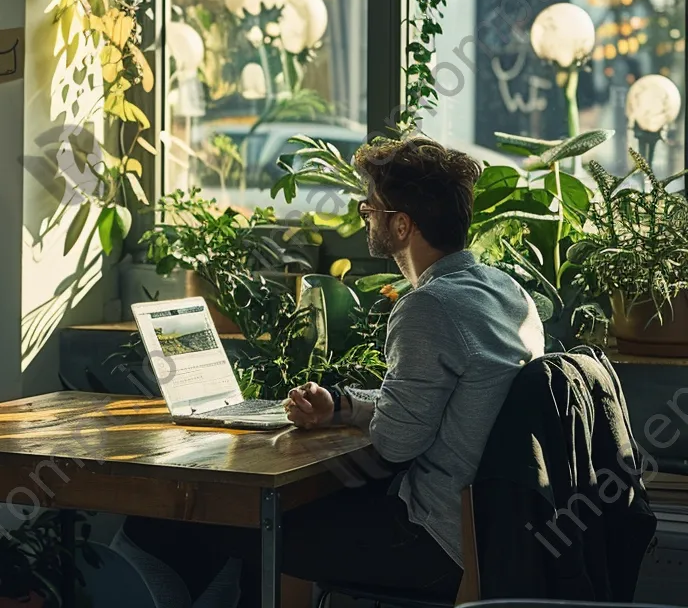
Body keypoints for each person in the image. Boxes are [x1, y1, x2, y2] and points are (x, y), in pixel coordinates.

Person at [120, 136, 545, 604]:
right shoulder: (505, 290)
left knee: (200, 520)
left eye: (371, 209)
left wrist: (374, 415)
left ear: (402, 224)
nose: (365, 216)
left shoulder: (429, 306)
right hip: (485, 534)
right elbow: (440, 406)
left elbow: (399, 441)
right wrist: (342, 406)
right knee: (253, 521)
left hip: (431, 541)